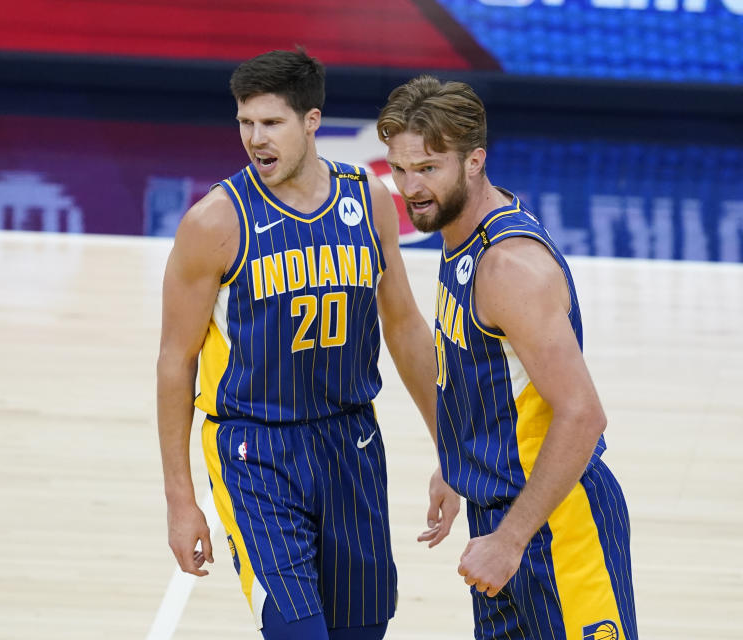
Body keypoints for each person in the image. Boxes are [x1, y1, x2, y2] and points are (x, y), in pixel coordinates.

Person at [156, 49, 459, 640]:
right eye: (245, 122)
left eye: (271, 123)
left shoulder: (366, 197)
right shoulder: (214, 223)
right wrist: (180, 498)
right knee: (298, 632)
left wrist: (450, 449)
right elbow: (175, 361)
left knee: (361, 632)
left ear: (312, 122)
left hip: (351, 443)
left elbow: (403, 326)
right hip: (256, 450)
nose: (254, 139)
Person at [376, 75, 638, 640]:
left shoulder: (509, 267)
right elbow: (483, 373)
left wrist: (512, 539)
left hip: (555, 525)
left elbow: (583, 415)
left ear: (474, 161)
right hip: (501, 514)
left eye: (427, 167)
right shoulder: (460, 233)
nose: (410, 187)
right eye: (399, 170)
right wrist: (459, 457)